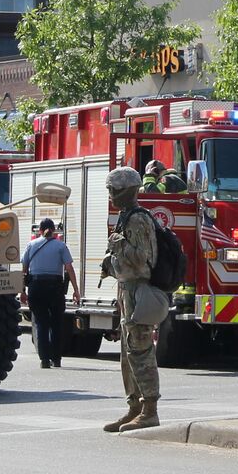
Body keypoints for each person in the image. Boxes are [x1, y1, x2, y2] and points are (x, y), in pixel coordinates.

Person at [101, 166, 162, 433]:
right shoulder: (125, 217)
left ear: (130, 190)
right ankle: (134, 407)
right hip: (127, 290)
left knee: (140, 350)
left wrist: (117, 242)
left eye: (115, 190)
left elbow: (142, 259)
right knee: (128, 354)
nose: (112, 195)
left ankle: (150, 409)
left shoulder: (138, 219)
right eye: (110, 190)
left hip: (139, 290)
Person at [20, 217, 81, 368]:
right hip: (55, 288)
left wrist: (22, 291)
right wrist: (76, 290)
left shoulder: (31, 245)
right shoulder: (61, 246)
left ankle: (44, 360)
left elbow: (23, 270)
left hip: (36, 287)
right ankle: (57, 359)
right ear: (54, 230)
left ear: (39, 231)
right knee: (56, 324)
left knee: (40, 323)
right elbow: (69, 269)